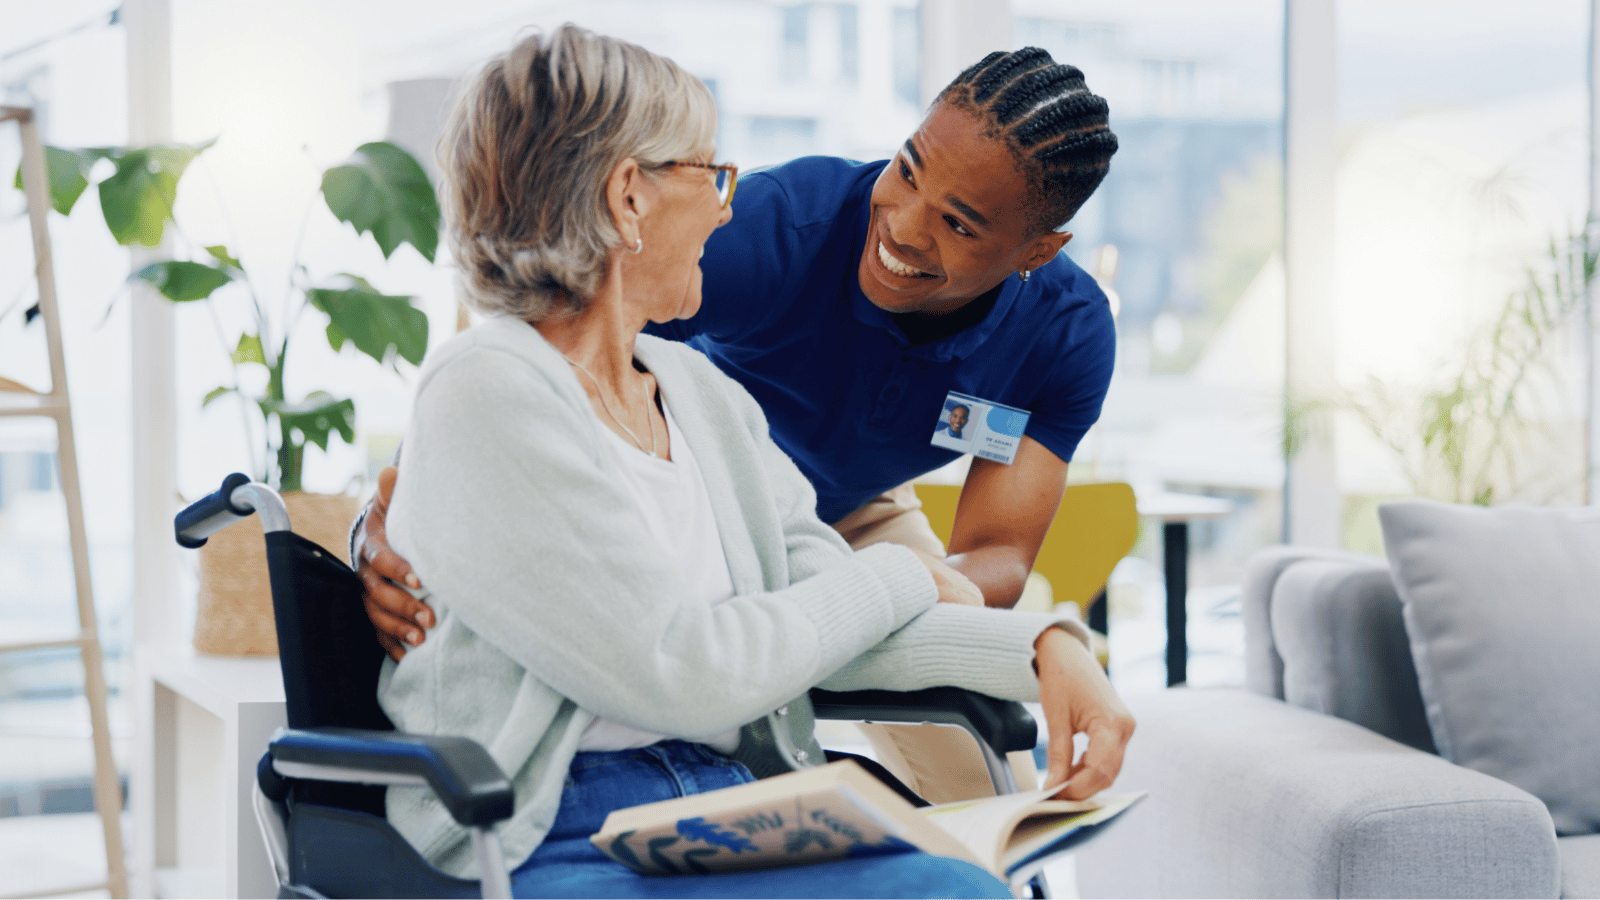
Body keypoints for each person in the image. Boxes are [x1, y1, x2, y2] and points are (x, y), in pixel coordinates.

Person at [380, 25, 1132, 897]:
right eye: (710, 176)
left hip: (787, 564)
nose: (727, 203)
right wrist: (392, 523)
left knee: (970, 870)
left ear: (1037, 252)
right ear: (630, 197)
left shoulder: (700, 395)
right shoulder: (764, 243)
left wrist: (1047, 646)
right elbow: (683, 662)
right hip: (562, 819)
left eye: (959, 223)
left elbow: (890, 594)